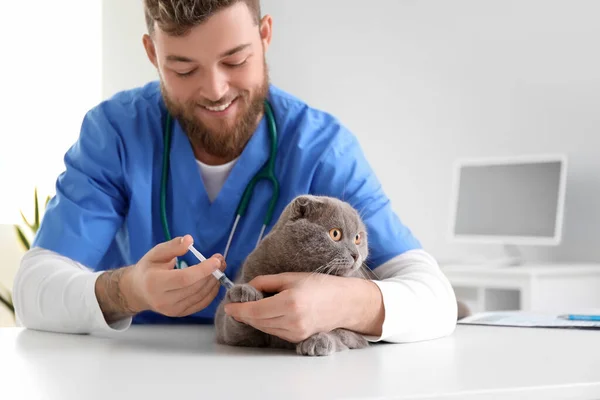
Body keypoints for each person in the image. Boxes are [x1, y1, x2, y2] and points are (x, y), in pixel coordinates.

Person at [12, 0, 457, 344]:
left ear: (264, 36)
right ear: (151, 53)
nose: (214, 90)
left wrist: (348, 304)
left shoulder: (321, 147)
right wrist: (127, 290)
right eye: (183, 68)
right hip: (135, 374)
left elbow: (435, 298)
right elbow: (33, 290)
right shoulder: (116, 132)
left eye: (235, 61)